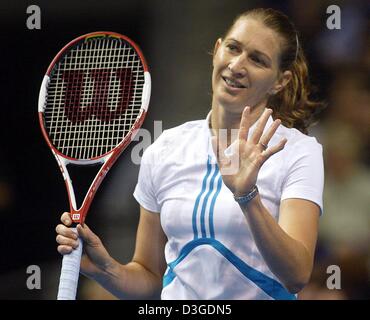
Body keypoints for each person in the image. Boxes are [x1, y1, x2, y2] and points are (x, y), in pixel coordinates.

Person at [56, 8, 325, 300]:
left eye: (257, 60)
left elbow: (296, 276)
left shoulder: (298, 151)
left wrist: (248, 197)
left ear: (280, 81)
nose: (237, 65)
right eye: (233, 48)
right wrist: (105, 270)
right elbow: (149, 276)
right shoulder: (164, 149)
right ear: (218, 49)